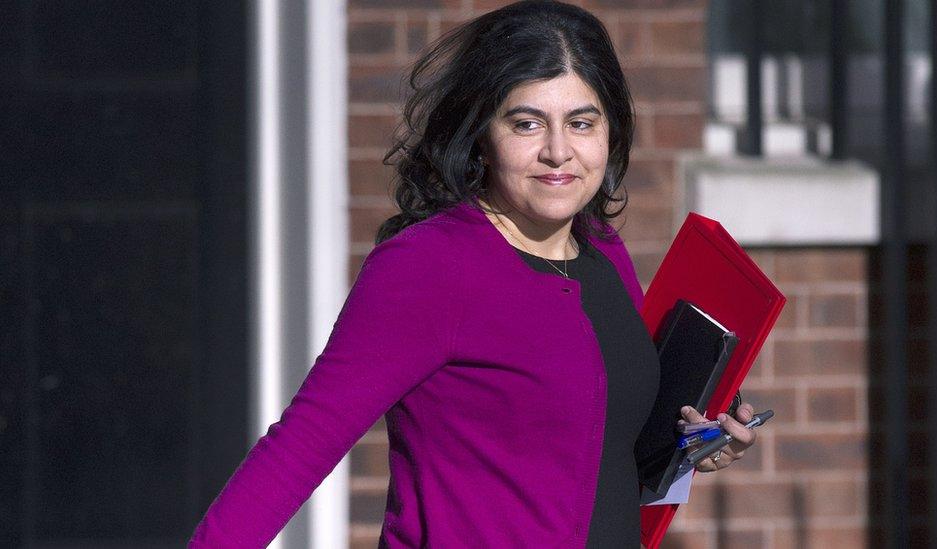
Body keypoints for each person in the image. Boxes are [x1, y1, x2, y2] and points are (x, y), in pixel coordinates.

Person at [188, 1, 758, 547]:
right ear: (482, 134)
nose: (559, 152)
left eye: (581, 123)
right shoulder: (428, 267)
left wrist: (693, 448)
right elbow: (298, 449)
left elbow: (598, 456)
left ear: (611, 135)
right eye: (527, 124)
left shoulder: (603, 251)